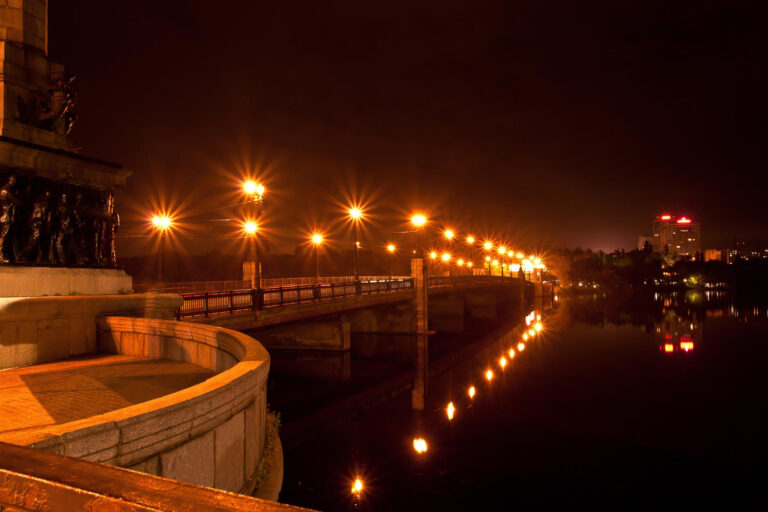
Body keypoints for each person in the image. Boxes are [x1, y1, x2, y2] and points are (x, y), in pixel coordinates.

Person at [0, 175, 21, 262]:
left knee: (5, 237)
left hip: (5, 216)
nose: (14, 182)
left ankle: (5, 255)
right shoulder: (6, 192)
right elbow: (17, 202)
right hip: (6, 217)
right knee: (4, 237)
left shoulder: (4, 191)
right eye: (13, 181)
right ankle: (1, 256)